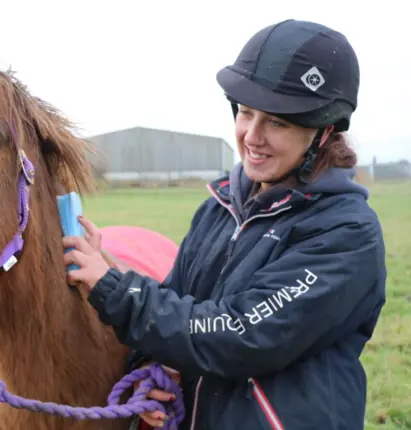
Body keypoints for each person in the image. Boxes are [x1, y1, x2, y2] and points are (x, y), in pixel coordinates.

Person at [62, 19, 387, 430]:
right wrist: (155, 369)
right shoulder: (220, 208)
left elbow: (239, 333)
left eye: (277, 122)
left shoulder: (346, 234)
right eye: (246, 113)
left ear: (323, 132)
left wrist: (116, 289)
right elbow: (178, 302)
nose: (252, 135)